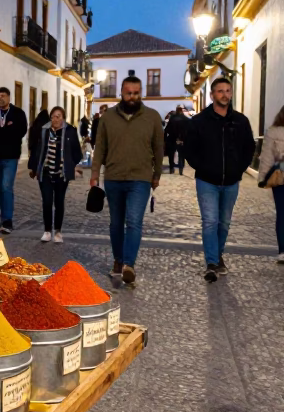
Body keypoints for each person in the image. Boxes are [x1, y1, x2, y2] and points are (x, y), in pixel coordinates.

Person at [91, 76, 164, 284]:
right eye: (128, 93)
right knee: (116, 223)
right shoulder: (108, 118)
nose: (132, 97)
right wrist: (95, 174)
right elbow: (100, 148)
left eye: (136, 93)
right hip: (113, 177)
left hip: (140, 179)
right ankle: (118, 259)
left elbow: (159, 149)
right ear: (121, 93)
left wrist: (156, 174)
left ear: (141, 93)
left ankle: (129, 264)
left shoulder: (152, 117)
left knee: (134, 221)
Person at [184, 77, 255, 282]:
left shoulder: (240, 121)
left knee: (224, 223)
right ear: (213, 94)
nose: (225, 94)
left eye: (228, 90)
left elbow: (249, 147)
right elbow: (190, 149)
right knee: (209, 222)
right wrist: (203, 167)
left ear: (231, 93)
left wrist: (239, 168)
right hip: (207, 181)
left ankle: (218, 254)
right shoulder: (199, 121)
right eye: (220, 91)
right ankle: (212, 263)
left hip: (231, 181)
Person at [28, 105, 82, 243]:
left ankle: (58, 231)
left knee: (59, 202)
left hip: (61, 174)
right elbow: (37, 149)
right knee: (47, 202)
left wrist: (70, 164)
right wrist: (33, 168)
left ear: (63, 118)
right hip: (45, 172)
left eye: (58, 116)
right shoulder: (44, 130)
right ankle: (47, 231)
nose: (55, 119)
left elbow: (77, 153)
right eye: (53, 116)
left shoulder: (70, 131)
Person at [0, 87, 29, 233]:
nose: (0, 98)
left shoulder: (18, 114)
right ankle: (3, 216)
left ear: (9, 97)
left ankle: (8, 220)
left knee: (6, 186)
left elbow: (21, 131)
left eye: (3, 96)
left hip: (11, 157)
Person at [258, 106, 284, 264]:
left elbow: (267, 157)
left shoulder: (273, 132)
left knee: (282, 214)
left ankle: (283, 251)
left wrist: (262, 178)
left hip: (280, 178)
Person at [164, 105, 189, 175]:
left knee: (171, 154)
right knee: (182, 155)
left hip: (172, 138)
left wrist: (165, 138)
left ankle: (171, 168)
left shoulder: (172, 118)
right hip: (182, 139)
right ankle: (181, 169)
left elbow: (167, 129)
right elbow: (189, 130)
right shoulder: (186, 119)